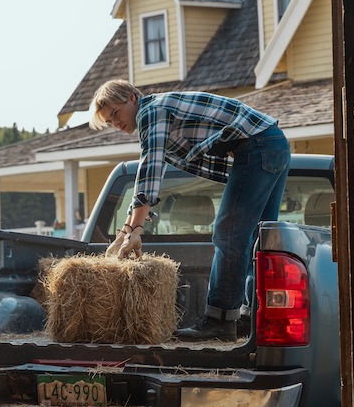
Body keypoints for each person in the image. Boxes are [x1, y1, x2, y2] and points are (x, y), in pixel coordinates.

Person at [89, 79, 291, 341]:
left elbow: (150, 170)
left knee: (229, 235)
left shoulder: (151, 111)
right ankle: (250, 316)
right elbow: (151, 176)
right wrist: (126, 230)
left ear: (131, 97)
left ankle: (220, 321)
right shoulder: (160, 112)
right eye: (110, 121)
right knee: (259, 238)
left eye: (116, 113)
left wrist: (136, 229)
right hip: (273, 141)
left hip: (258, 144)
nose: (116, 123)